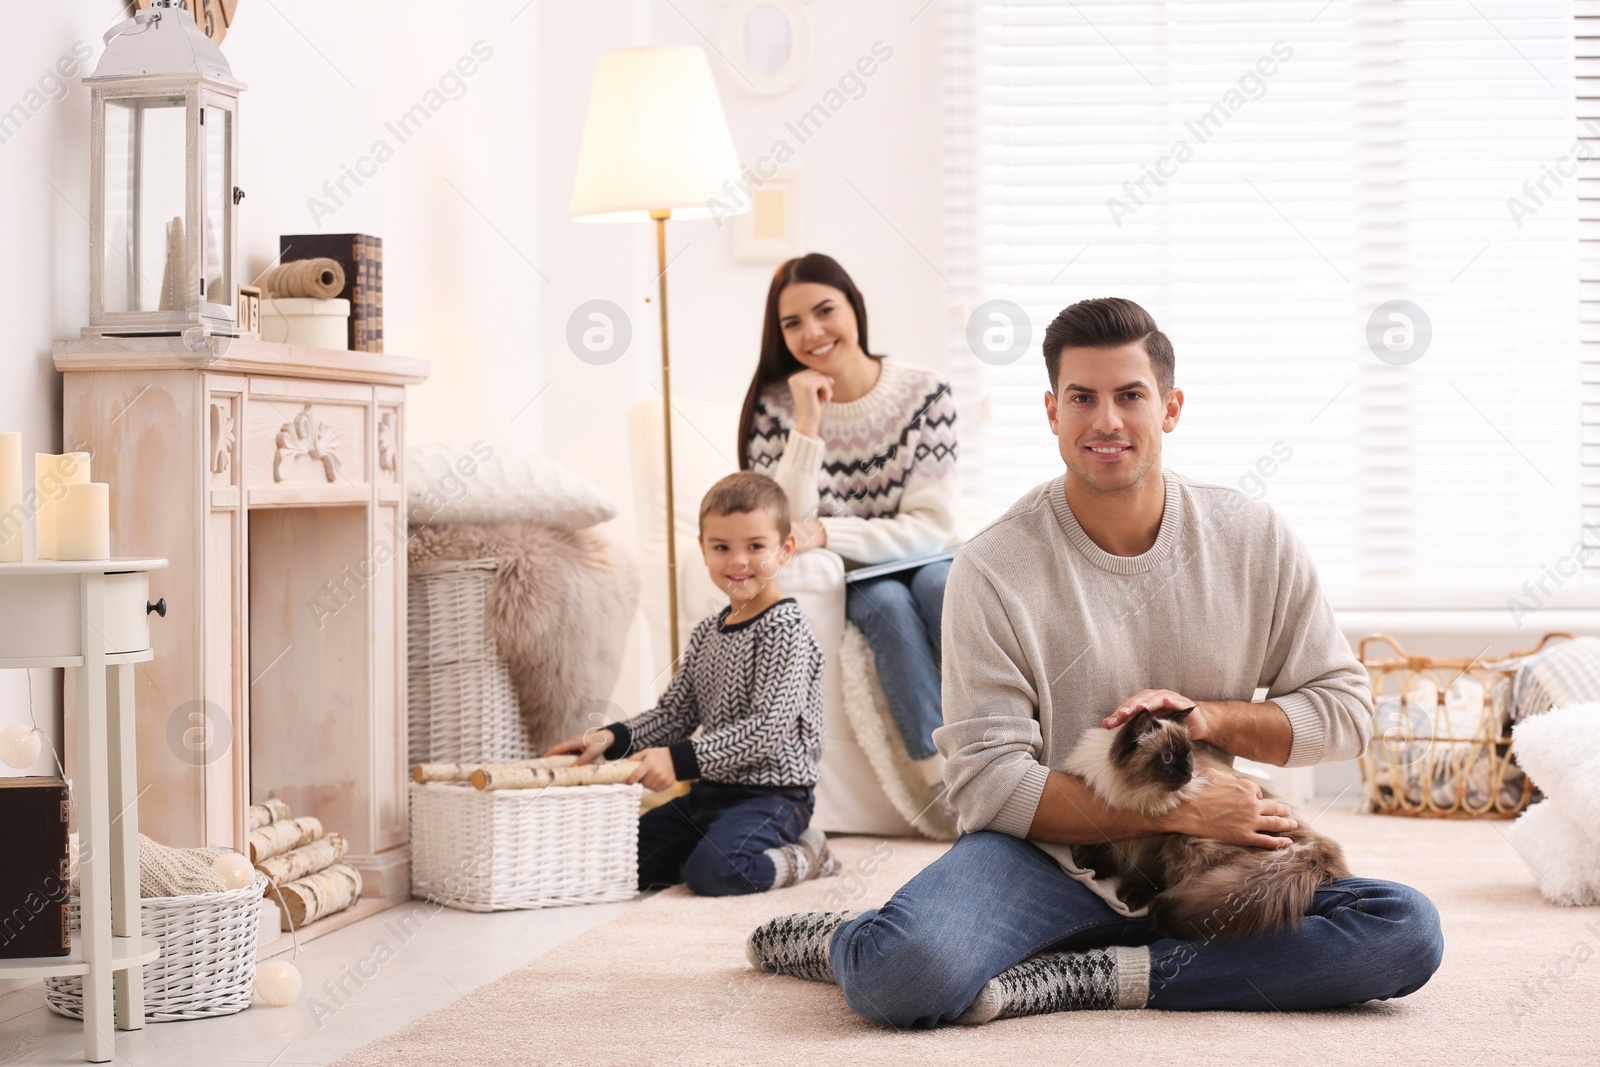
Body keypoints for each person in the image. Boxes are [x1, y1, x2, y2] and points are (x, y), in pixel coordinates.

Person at [745, 297, 1444, 1022]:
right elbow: (985, 784)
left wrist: (1212, 721)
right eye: (1083, 397)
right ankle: (850, 938)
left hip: (1203, 863)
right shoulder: (991, 566)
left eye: (1130, 396)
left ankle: (1100, 976)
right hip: (1043, 859)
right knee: (902, 973)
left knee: (1403, 931)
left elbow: (1345, 713)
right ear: (1053, 413)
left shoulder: (1253, 537)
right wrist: (1177, 805)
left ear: (1170, 408)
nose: (1106, 420)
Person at [547, 471, 833, 896]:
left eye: (755, 547)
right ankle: (701, 846)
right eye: (722, 547)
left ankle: (808, 853)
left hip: (774, 797)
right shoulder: (707, 633)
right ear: (703, 550)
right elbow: (675, 714)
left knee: (715, 873)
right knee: (622, 860)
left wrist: (678, 761)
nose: (738, 562)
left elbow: (767, 729)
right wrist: (612, 737)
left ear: (785, 548)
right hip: (711, 792)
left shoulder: (785, 628)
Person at [739, 252, 958, 780]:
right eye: (792, 323)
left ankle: (1006, 751)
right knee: (886, 603)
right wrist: (808, 425)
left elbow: (930, 526)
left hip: (927, 555)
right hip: (854, 575)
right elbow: (782, 525)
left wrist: (826, 532)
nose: (812, 332)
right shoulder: (776, 409)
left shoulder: (926, 394)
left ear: (854, 308)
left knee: (938, 589)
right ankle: (942, 784)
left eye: (824, 310)